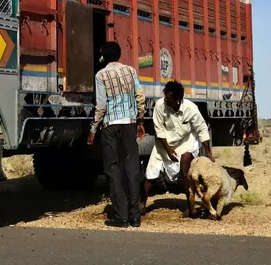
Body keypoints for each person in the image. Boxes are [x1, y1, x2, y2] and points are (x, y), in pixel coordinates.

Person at [87, 41, 146, 228]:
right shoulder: (131, 71)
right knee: (132, 168)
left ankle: (121, 216)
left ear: (103, 55)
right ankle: (135, 216)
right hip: (129, 124)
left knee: (113, 169)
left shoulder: (100, 75)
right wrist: (140, 121)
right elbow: (140, 96)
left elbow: (101, 106)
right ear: (119, 55)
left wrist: (93, 130)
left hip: (110, 126)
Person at [141, 80, 213, 214]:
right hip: (164, 144)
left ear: (178, 99)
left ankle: (190, 206)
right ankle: (142, 204)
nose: (165, 99)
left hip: (186, 143)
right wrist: (168, 150)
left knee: (186, 170)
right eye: (165, 96)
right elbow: (159, 130)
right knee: (151, 173)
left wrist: (208, 153)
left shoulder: (190, 108)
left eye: (168, 98)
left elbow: (202, 129)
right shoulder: (159, 105)